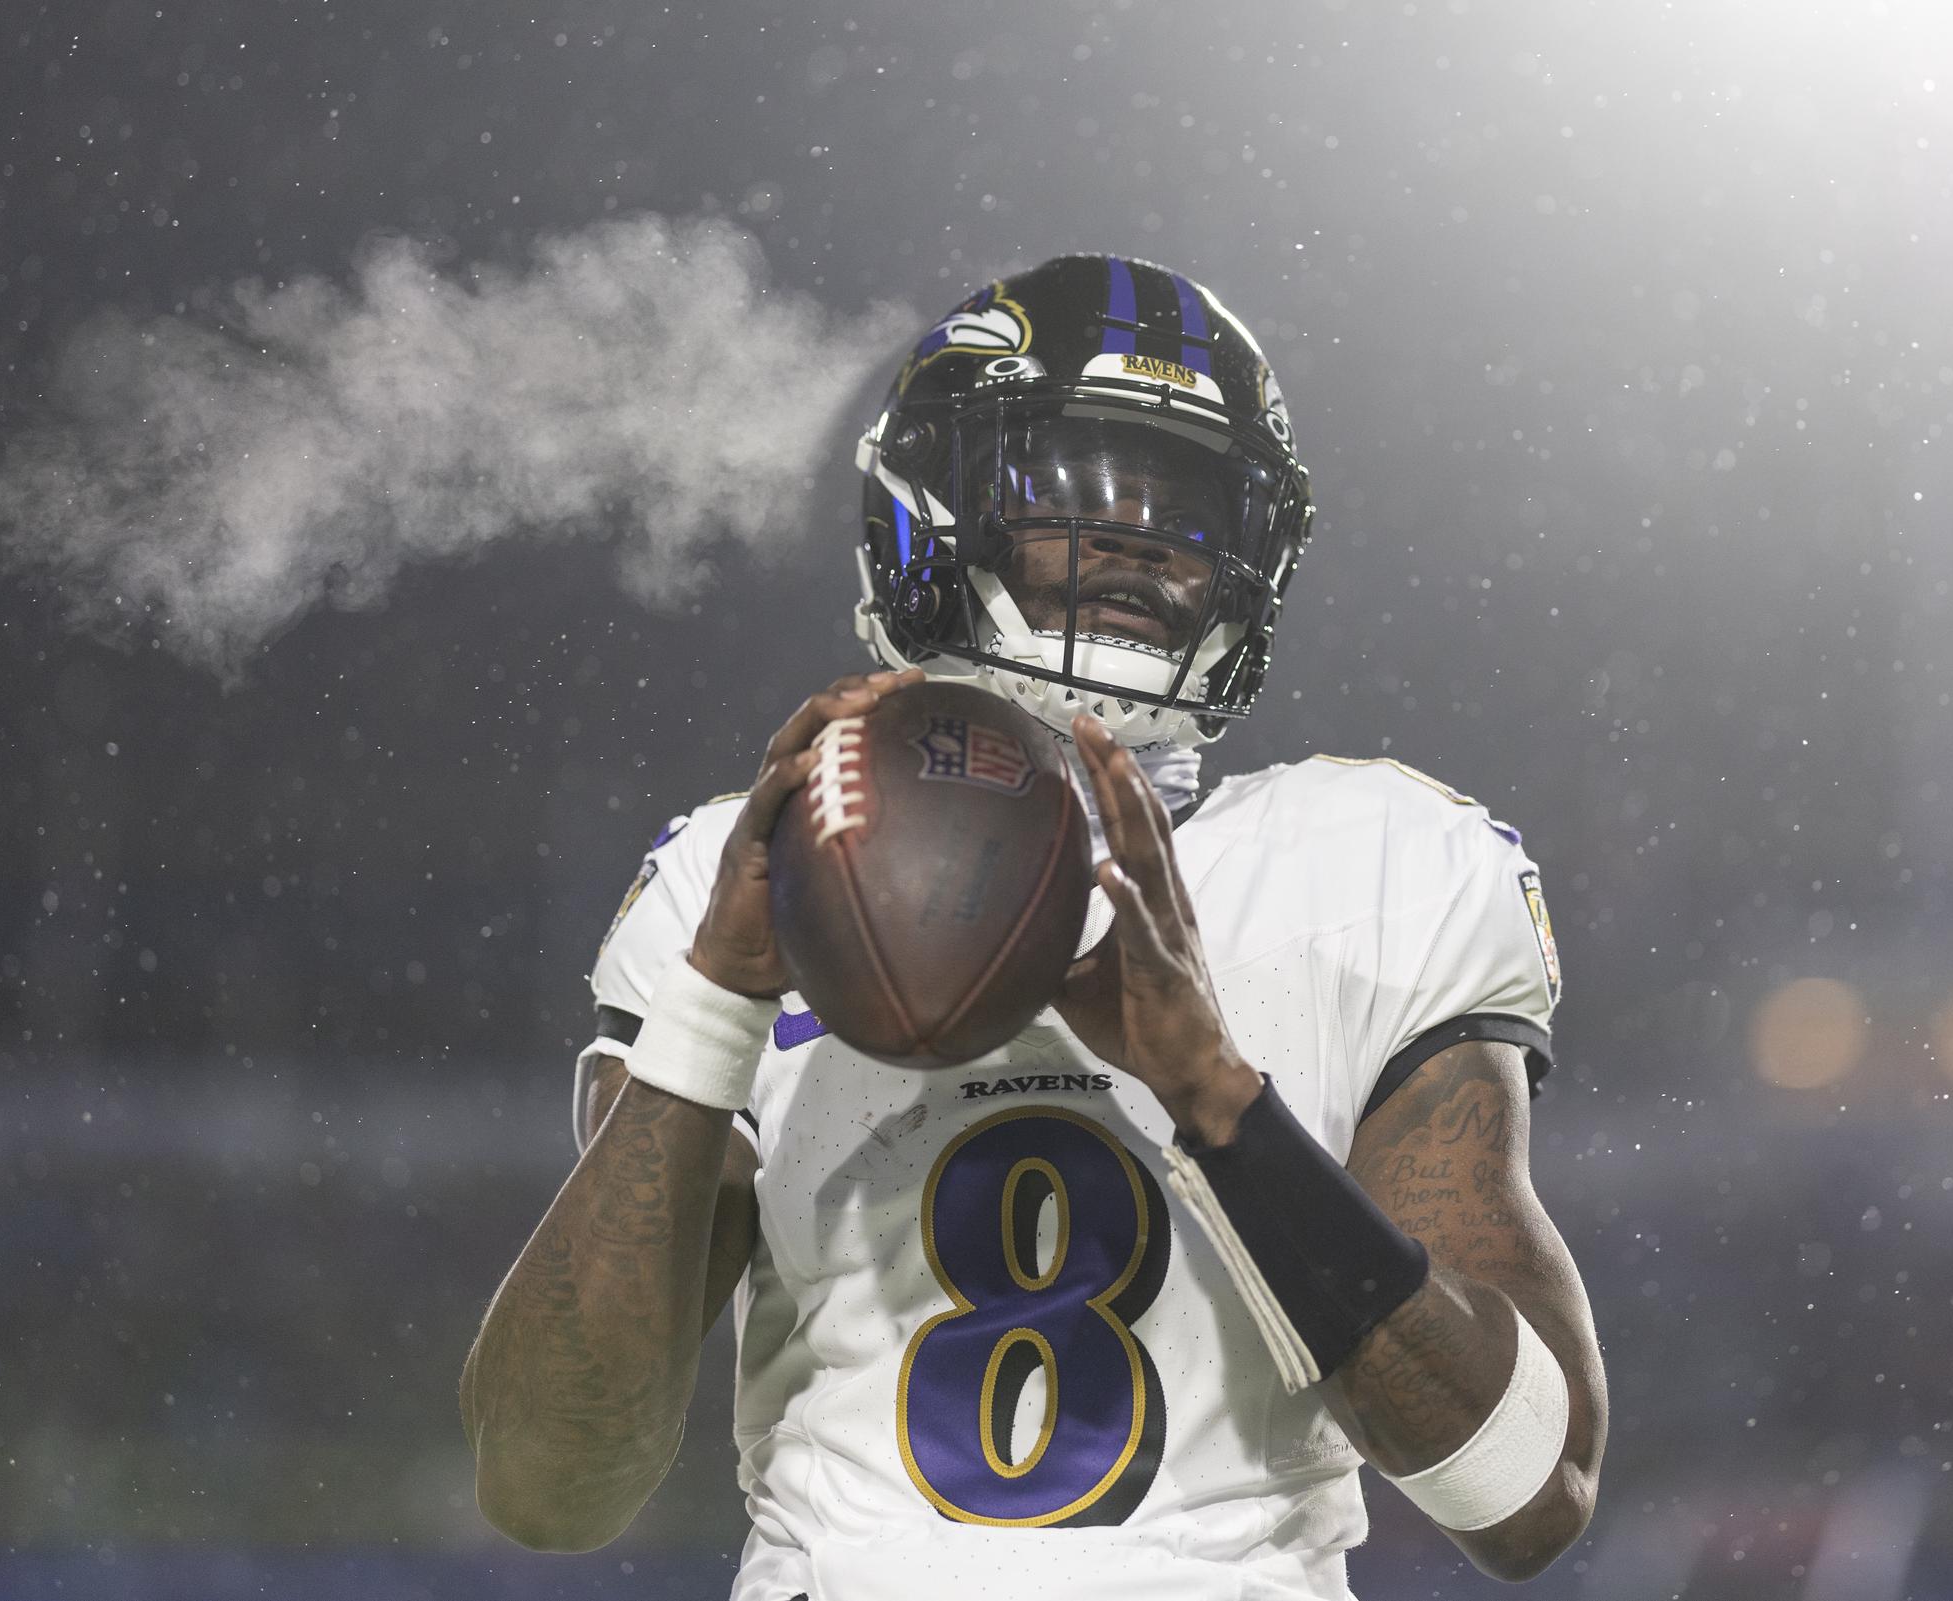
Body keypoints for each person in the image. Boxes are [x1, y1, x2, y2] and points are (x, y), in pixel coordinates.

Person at [460, 255, 1607, 1599]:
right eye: (1076, 487)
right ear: (936, 513)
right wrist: (719, 997)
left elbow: (1524, 1495)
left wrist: (1216, 1095)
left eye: (1188, 505)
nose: (1138, 538)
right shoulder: (744, 878)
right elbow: (548, 1481)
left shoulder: (1380, 862)